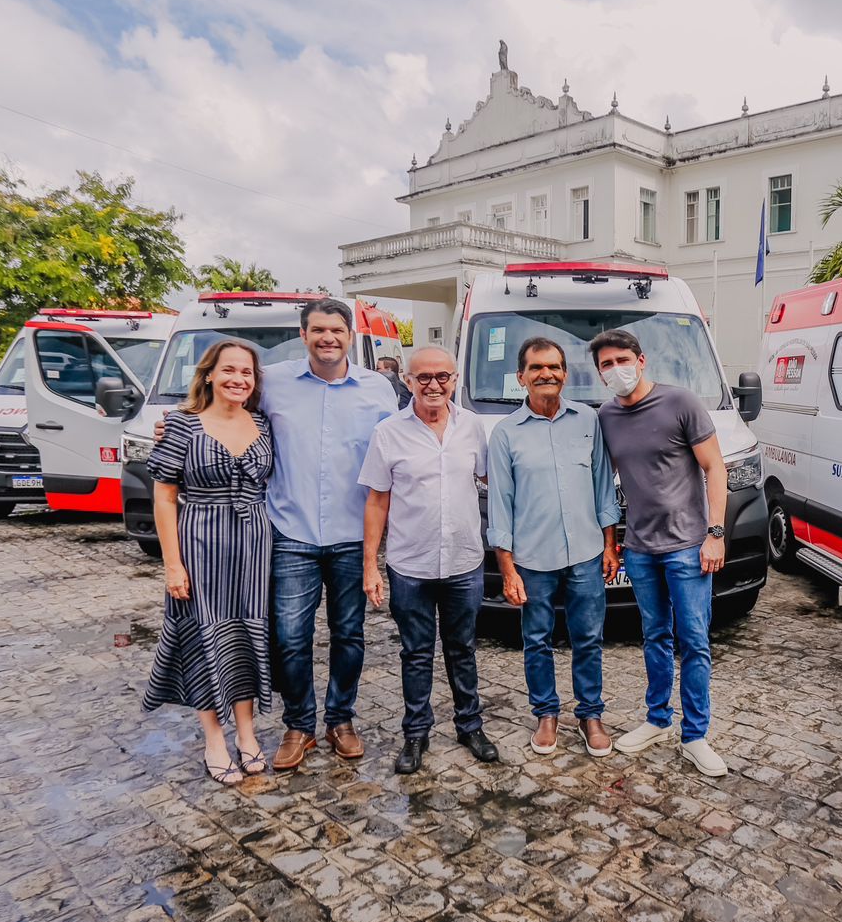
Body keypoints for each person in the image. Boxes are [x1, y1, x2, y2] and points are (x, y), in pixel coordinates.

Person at [263, 298, 399, 771]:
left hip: (351, 533)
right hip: (290, 529)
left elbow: (398, 447)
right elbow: (222, 404)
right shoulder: (271, 382)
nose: (328, 338)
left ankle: (341, 719)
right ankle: (299, 724)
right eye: (318, 330)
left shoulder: (379, 389)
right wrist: (177, 421)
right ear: (303, 335)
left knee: (349, 635)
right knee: (290, 638)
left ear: (350, 336)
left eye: (337, 330)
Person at [591, 328, 732, 777]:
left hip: (689, 546)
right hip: (640, 548)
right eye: (606, 365)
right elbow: (605, 484)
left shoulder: (681, 403)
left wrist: (716, 533)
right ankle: (656, 719)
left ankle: (695, 735)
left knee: (694, 640)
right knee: (654, 637)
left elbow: (715, 468)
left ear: (642, 359)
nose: (616, 370)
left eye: (621, 360)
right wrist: (611, 542)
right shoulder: (607, 417)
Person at [360, 347, 497, 773]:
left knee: (463, 648)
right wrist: (370, 565)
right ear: (407, 380)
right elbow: (377, 501)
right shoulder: (388, 432)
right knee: (415, 653)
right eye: (423, 378)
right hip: (410, 566)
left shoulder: (472, 427)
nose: (433, 385)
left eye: (442, 376)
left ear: (455, 379)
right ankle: (416, 734)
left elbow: (492, 480)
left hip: (464, 561)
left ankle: (469, 726)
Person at [144, 341, 275, 785]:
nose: (239, 379)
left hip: (255, 544)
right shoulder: (181, 426)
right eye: (230, 370)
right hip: (201, 539)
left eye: (247, 372)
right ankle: (213, 739)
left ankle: (247, 732)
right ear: (208, 375)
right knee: (204, 639)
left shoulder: (261, 422)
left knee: (244, 638)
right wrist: (172, 564)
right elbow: (163, 497)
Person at [488, 338, 621, 759]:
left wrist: (609, 545)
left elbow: (603, 487)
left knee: (588, 638)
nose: (547, 374)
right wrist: (507, 568)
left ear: (565, 374)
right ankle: (546, 714)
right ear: (521, 377)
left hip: (585, 551)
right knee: (537, 639)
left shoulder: (588, 420)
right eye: (537, 368)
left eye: (555, 367)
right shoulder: (505, 433)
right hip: (531, 558)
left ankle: (590, 715)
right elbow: (500, 505)